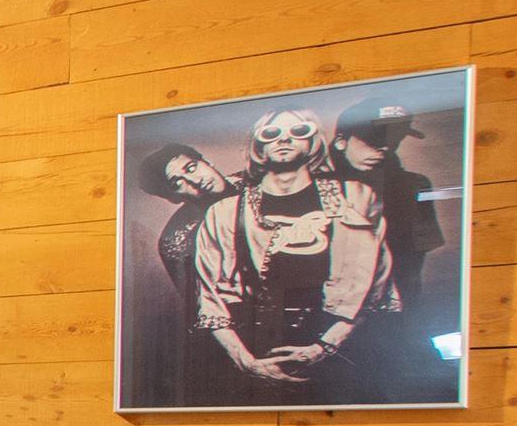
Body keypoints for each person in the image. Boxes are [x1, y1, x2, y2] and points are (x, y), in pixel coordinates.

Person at [189, 106, 392, 403]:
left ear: (313, 141)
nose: (283, 139)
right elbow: (210, 301)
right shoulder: (224, 213)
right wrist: (247, 362)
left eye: (298, 131)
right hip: (256, 356)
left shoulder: (355, 198)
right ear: (259, 145)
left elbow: (377, 287)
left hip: (339, 354)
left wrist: (326, 346)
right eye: (271, 133)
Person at [324, 94, 460, 403]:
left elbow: (412, 266)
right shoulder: (308, 187)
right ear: (342, 141)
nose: (385, 148)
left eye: (394, 138)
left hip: (395, 320)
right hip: (328, 320)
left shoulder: (413, 186)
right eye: (374, 140)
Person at [129, 142, 234, 402]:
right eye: (178, 183)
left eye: (192, 167)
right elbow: (206, 312)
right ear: (172, 198)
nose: (196, 181)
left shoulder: (262, 180)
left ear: (206, 161)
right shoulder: (177, 241)